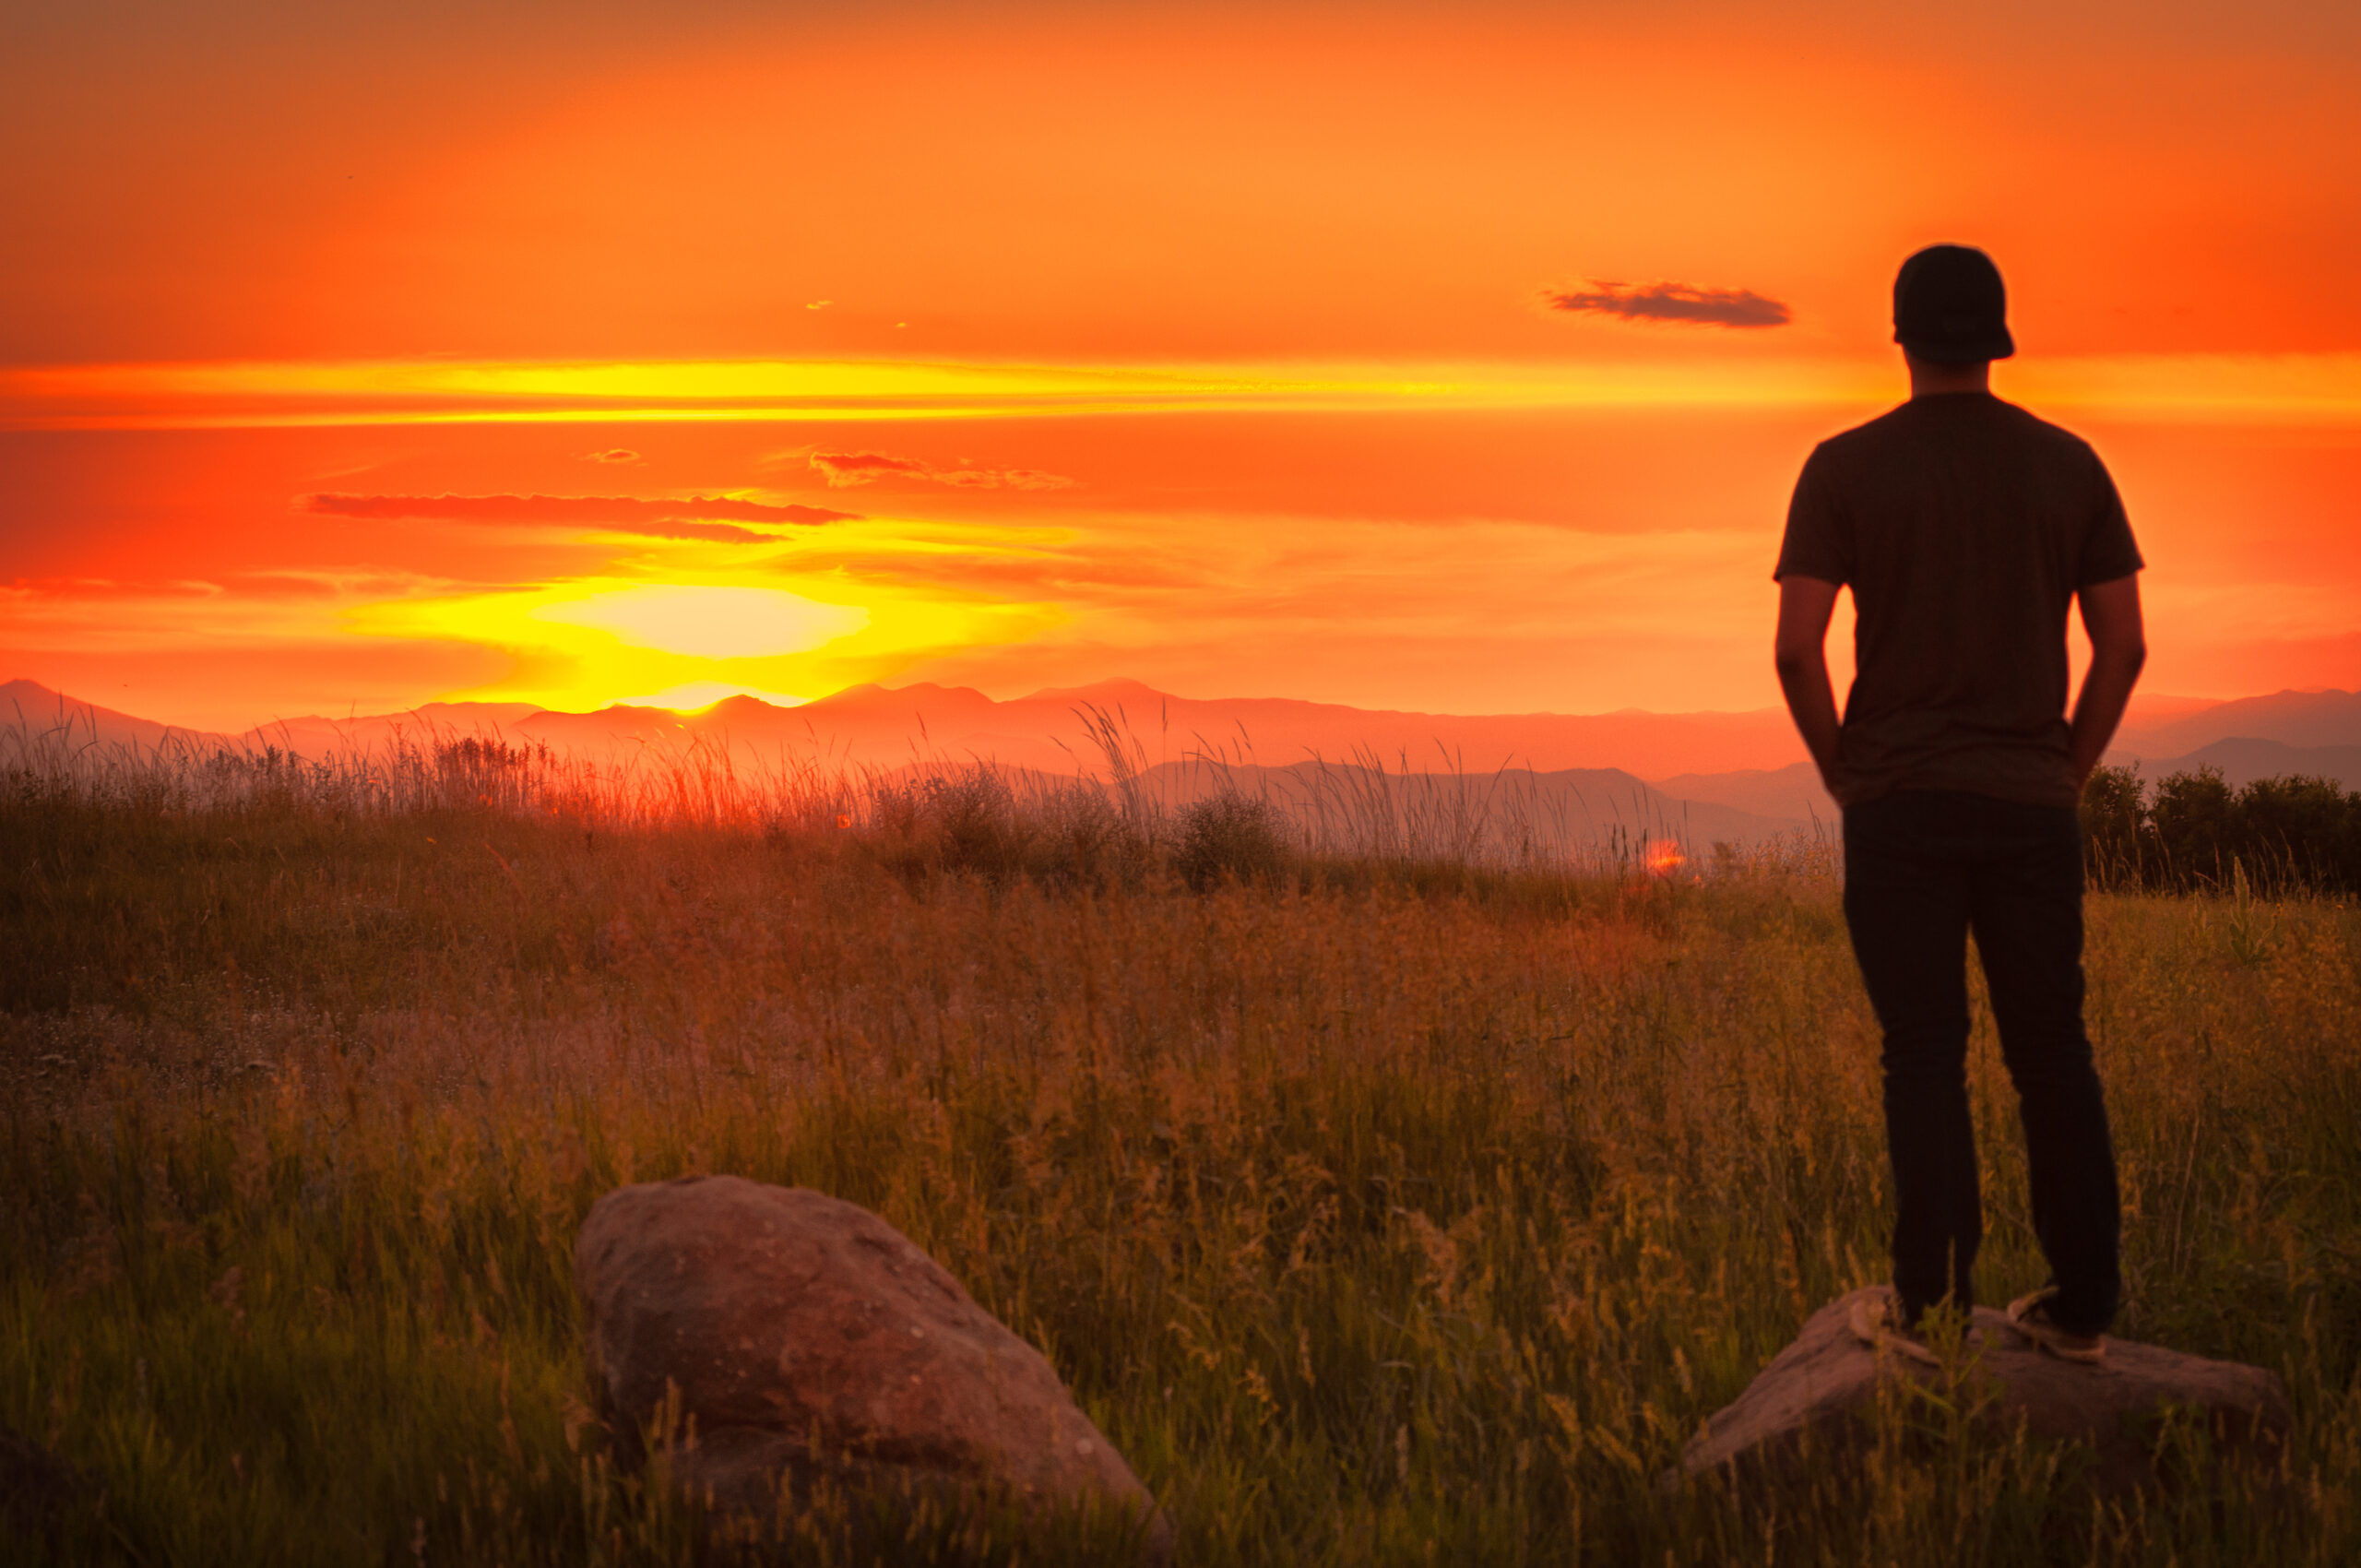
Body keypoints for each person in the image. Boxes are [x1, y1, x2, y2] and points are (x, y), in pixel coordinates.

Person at [1772, 244, 2146, 1365]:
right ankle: (2081, 1305)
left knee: (1922, 1052)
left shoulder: (1842, 468)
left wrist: (1847, 771)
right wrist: (2065, 770)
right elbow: (2122, 645)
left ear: (1899, 336)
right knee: (2052, 1052)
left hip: (1898, 805)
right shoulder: (2069, 465)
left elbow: (1797, 650)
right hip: (2030, 801)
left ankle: (1932, 1312)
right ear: (1995, 338)